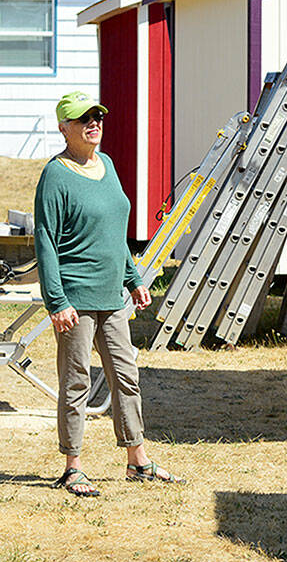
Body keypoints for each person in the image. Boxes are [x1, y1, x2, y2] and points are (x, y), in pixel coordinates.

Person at [34, 91, 179, 498]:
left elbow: (115, 233)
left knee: (126, 377)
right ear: (64, 127)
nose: (93, 123)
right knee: (76, 381)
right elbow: (45, 241)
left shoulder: (108, 165)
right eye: (83, 119)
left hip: (113, 295)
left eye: (97, 116)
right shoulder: (55, 176)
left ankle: (138, 460)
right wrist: (57, 301)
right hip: (76, 297)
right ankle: (72, 466)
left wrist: (134, 279)